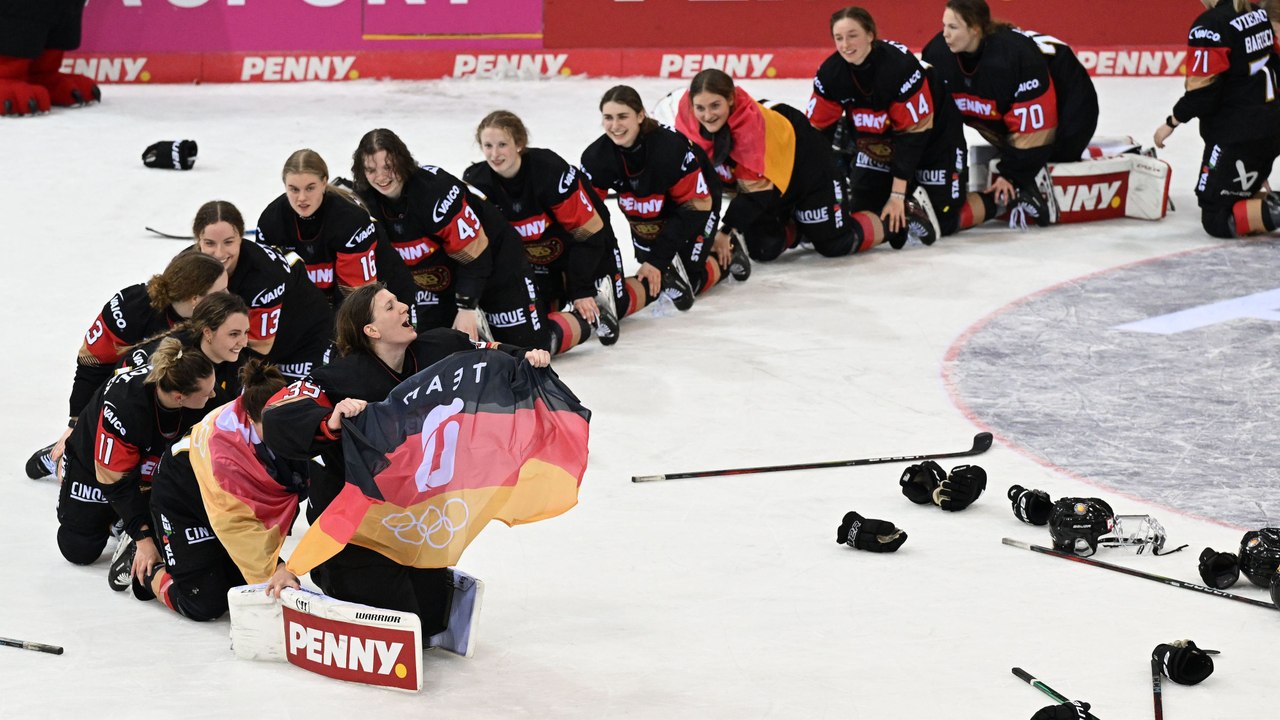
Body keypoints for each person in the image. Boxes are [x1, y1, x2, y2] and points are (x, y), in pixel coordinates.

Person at [260, 283, 550, 640]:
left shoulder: (439, 347)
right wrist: (330, 420)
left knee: (429, 622)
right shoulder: (338, 377)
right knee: (403, 617)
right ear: (372, 330)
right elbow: (277, 415)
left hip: (413, 521)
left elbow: (488, 352)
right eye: (391, 306)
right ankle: (330, 575)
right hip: (355, 532)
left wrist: (524, 357)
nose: (404, 307)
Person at [126, 359, 308, 618]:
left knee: (239, 582)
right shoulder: (225, 456)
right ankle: (148, 572)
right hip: (183, 498)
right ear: (251, 418)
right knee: (204, 603)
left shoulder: (285, 421)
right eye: (278, 429)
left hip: (222, 502)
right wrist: (275, 569)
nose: (288, 434)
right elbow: (237, 526)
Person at [25, 252, 226, 480]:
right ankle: (74, 451)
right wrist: (77, 424)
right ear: (195, 298)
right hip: (127, 395)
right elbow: (92, 363)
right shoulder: (132, 306)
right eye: (221, 292)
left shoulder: (220, 319)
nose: (230, 297)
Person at [464, 111, 650, 353]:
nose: (494, 154)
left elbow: (588, 232)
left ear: (519, 144)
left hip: (584, 247)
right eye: (488, 146)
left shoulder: (549, 171)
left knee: (616, 303)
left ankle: (653, 283)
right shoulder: (477, 182)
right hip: (535, 260)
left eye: (502, 145)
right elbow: (483, 247)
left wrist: (581, 289)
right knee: (535, 318)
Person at [351, 128, 547, 349]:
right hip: (438, 278)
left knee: (529, 348)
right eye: (371, 169)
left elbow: (476, 255)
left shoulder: (435, 191)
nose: (381, 177)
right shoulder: (364, 200)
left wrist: (466, 307)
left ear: (403, 161)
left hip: (494, 261)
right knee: (429, 348)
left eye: (388, 166)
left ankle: (584, 318)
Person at [808, 7, 984, 244]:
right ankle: (908, 208)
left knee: (944, 217)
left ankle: (1004, 199)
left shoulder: (898, 67)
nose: (845, 44)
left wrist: (897, 194)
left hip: (933, 138)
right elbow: (816, 132)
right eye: (838, 38)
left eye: (853, 35)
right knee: (865, 208)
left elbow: (913, 136)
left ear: (870, 35)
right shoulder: (830, 73)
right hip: (880, 142)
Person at [673, 69, 882, 261]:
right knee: (763, 248)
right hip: (770, 177)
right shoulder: (685, 120)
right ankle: (802, 227)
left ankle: (893, 220)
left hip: (807, 167)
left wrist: (725, 231)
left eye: (715, 106)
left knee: (834, 243)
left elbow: (755, 193)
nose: (707, 116)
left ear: (730, 99)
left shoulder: (750, 131)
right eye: (700, 107)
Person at [922, 0, 1099, 227]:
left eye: (953, 27)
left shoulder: (1014, 57)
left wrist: (1012, 175)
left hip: (1069, 97)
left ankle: (1031, 178)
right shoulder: (936, 54)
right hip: (1005, 106)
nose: (945, 34)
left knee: (1060, 150)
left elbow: (1037, 126)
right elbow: (939, 122)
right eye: (943, 26)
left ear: (975, 28)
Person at [56, 338, 216, 576]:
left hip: (147, 460)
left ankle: (123, 520)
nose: (213, 395)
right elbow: (114, 481)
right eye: (206, 392)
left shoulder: (185, 371)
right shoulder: (125, 406)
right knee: (79, 548)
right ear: (179, 397)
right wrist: (142, 538)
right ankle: (60, 459)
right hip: (97, 463)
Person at [582, 85, 748, 302]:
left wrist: (657, 260)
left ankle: (728, 251)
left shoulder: (668, 150)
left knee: (689, 280)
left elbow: (696, 207)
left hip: (699, 202)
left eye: (623, 116)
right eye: (608, 118)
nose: (615, 126)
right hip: (647, 207)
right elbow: (587, 218)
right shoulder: (596, 158)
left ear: (640, 115)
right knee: (655, 272)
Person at [1154, 0, 1280, 238]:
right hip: (1270, 128)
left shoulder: (1210, 25)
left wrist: (1171, 122)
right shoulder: (1257, 14)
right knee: (1244, 197)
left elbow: (1203, 93)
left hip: (1238, 136)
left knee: (1216, 218)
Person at [255, 149, 418, 313]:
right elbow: (270, 290)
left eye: (310, 188)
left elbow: (356, 299)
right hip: (323, 302)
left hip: (385, 297)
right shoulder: (271, 222)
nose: (302, 198)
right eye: (294, 189)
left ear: (324, 182)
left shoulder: (349, 219)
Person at [193, 200, 335, 380]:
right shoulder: (187, 265)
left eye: (228, 242)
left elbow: (261, 345)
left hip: (303, 340)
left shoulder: (264, 276)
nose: (219, 253)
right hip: (250, 340)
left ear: (241, 238)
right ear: (198, 240)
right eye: (209, 243)